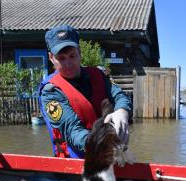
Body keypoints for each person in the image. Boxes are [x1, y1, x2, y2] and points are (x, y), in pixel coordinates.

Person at [39, 25, 132, 158]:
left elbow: (119, 96)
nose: (68, 63)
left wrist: (122, 112)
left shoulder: (98, 75)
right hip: (76, 163)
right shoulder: (51, 92)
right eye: (61, 58)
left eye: (72, 55)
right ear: (51, 58)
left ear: (80, 52)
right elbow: (73, 131)